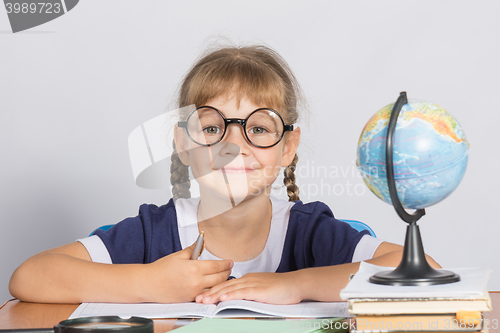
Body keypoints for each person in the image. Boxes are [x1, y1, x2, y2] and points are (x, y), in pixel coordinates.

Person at [9, 44, 440, 305]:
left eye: (259, 128)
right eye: (212, 128)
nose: (235, 146)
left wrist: (296, 285)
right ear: (183, 144)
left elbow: (423, 270)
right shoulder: (153, 232)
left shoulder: (308, 232)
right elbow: (29, 276)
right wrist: (148, 283)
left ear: (288, 147)